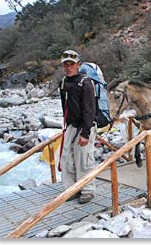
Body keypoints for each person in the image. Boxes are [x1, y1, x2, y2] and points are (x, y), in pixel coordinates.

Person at [59, 49, 97, 204]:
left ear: (78, 65)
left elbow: (90, 110)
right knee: (66, 158)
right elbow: (64, 106)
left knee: (84, 159)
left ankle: (88, 190)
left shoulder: (86, 83)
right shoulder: (63, 82)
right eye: (65, 65)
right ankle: (72, 189)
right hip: (71, 125)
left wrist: (86, 133)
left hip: (85, 126)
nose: (68, 67)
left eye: (72, 64)